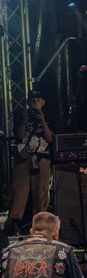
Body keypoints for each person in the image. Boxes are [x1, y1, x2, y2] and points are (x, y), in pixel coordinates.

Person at [5, 91, 54, 235]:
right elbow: (19, 136)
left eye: (38, 100)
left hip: (42, 157)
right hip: (24, 157)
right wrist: (24, 121)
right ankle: (13, 226)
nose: (35, 103)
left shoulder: (49, 115)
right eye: (32, 100)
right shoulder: (21, 115)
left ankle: (42, 227)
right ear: (28, 102)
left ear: (43, 102)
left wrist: (42, 119)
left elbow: (50, 138)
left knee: (41, 192)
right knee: (19, 192)